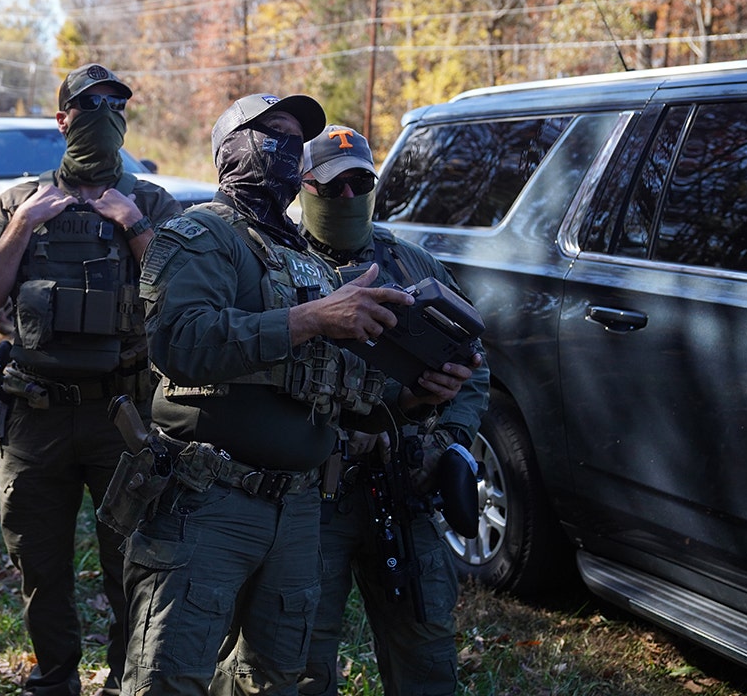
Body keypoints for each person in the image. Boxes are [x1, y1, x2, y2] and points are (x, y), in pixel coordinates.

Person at [121, 94, 416, 696]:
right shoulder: (199, 234)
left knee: (275, 679)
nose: (288, 150)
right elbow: (178, 342)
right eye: (272, 134)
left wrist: (418, 391)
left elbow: (331, 376)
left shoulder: (301, 258)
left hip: (300, 509)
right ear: (230, 149)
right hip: (209, 501)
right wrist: (309, 319)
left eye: (295, 139)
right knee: (169, 679)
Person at [0, 63, 183, 696]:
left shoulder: (154, 202)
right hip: (36, 414)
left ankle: (124, 682)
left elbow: (181, 302)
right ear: (63, 120)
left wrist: (133, 226)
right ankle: (54, 679)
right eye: (89, 105)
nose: (104, 114)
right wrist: (25, 225)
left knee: (131, 563)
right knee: (40, 563)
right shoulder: (15, 202)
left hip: (125, 415)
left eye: (116, 104)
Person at [294, 124, 490, 696]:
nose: (348, 198)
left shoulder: (412, 265)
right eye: (332, 187)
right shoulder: (278, 266)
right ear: (303, 187)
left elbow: (475, 365)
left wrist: (448, 435)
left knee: (426, 649)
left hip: (403, 485)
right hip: (309, 496)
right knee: (302, 655)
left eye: (360, 183)